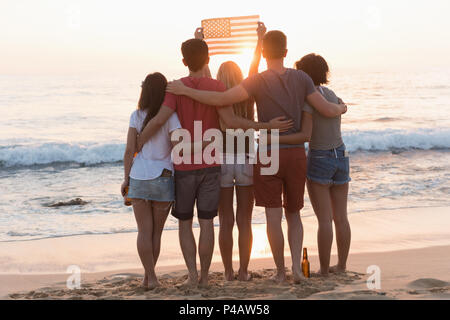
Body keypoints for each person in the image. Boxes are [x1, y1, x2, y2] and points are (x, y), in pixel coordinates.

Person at [166, 30, 347, 283]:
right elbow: (323, 108)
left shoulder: (238, 85)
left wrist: (189, 80)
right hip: (268, 157)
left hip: (242, 158)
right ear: (285, 52)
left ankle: (249, 272)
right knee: (266, 218)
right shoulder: (279, 81)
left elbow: (212, 86)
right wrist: (342, 106)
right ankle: (269, 270)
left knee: (242, 218)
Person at [136, 36, 293, 287]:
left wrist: (137, 145)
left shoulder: (176, 88)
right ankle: (214, 275)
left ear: (184, 61)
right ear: (208, 59)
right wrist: (264, 126)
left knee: (190, 224)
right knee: (217, 222)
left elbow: (158, 121)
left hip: (187, 165)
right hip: (216, 163)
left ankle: (196, 275)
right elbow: (230, 120)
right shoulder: (221, 89)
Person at [198, 22, 266, 281]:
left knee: (225, 220)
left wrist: (202, 41)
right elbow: (254, 66)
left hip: (222, 161)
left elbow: (203, 71)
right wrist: (260, 40)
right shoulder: (247, 91)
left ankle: (227, 272)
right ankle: (244, 271)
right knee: (245, 221)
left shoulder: (215, 91)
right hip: (247, 158)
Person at [121, 72, 181, 289]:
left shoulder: (136, 116)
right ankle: (150, 278)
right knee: (156, 233)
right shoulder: (170, 117)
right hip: (163, 176)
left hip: (138, 176)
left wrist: (126, 178)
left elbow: (129, 151)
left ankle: (149, 278)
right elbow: (178, 146)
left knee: (143, 232)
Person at [295, 53, 351, 276]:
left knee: (325, 220)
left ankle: (325, 270)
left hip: (320, 156)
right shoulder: (331, 94)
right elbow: (337, 113)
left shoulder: (309, 99)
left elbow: (306, 135)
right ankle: (342, 266)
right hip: (342, 155)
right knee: (341, 217)